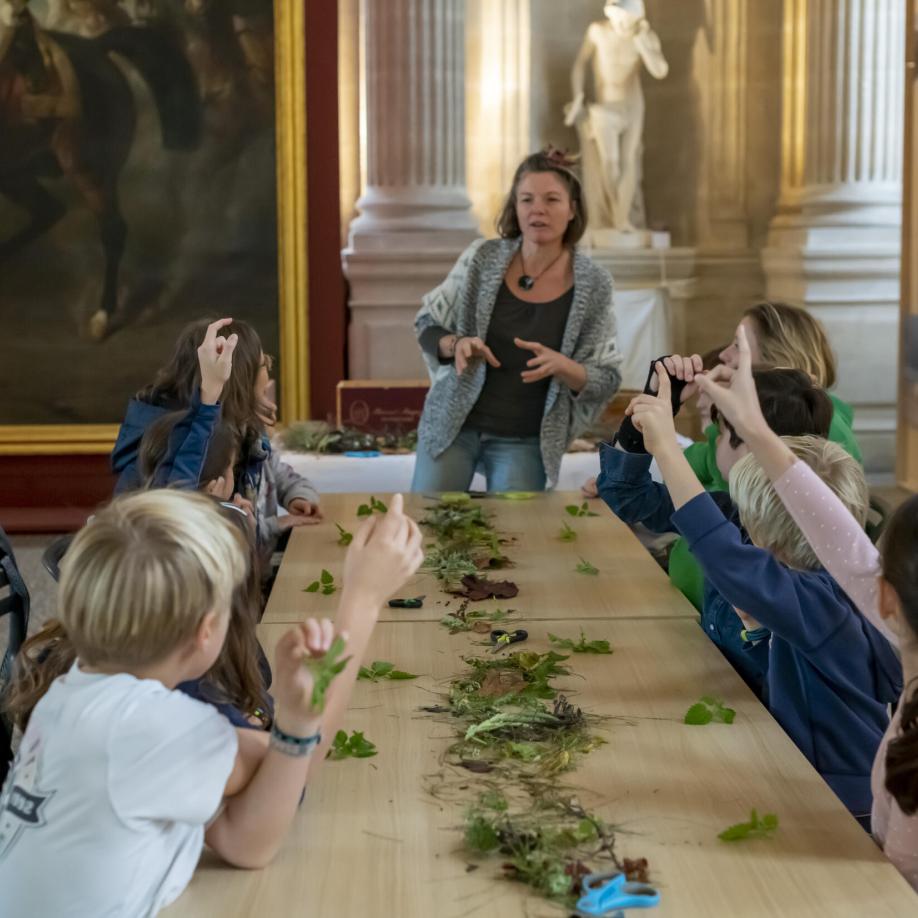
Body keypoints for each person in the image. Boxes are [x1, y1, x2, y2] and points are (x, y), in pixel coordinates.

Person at [0, 489, 424, 916]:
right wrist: (363, 600)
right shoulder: (154, 725)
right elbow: (289, 779)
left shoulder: (68, 695)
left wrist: (293, 726)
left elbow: (240, 838)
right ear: (206, 631)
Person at [694, 323, 918, 888]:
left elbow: (840, 544)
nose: (861, 565)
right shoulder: (894, 630)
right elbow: (838, 536)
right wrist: (752, 428)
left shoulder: (880, 623)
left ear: (886, 594)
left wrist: (752, 429)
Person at [628, 365, 901, 822]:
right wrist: (759, 635)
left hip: (836, 799)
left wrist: (664, 448)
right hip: (815, 775)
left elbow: (724, 555)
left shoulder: (819, 601)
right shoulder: (841, 584)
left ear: (768, 546)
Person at [597, 362, 833, 696]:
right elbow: (625, 497)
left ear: (752, 446)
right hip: (710, 681)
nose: (711, 439)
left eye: (720, 433)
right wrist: (647, 415)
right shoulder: (730, 510)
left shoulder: (794, 553)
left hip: (763, 724)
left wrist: (664, 443)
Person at [412, 149, 622, 493]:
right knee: (430, 533)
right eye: (526, 199)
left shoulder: (594, 284)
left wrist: (564, 366)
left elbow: (607, 379)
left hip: (524, 441)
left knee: (518, 541)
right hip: (453, 427)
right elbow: (427, 324)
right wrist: (456, 344)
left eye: (551, 199)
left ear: (572, 210)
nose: (537, 209)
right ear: (515, 207)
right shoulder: (482, 257)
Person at [5, 501, 271, 733]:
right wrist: (275, 720)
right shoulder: (183, 703)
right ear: (204, 628)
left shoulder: (64, 671)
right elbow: (264, 759)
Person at [111, 317, 321, 564]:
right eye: (264, 363)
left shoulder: (239, 424)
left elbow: (274, 471)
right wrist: (272, 526)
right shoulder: (189, 443)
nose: (269, 371)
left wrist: (297, 495)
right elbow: (183, 537)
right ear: (241, 374)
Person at [564, 0, 668, 234]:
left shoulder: (643, 35)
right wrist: (578, 96)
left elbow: (660, 70)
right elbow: (579, 65)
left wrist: (643, 45)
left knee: (629, 160)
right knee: (609, 163)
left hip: (632, 106)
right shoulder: (598, 32)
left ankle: (623, 220)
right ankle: (616, 216)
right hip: (605, 108)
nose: (623, 22)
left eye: (627, 17)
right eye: (619, 16)